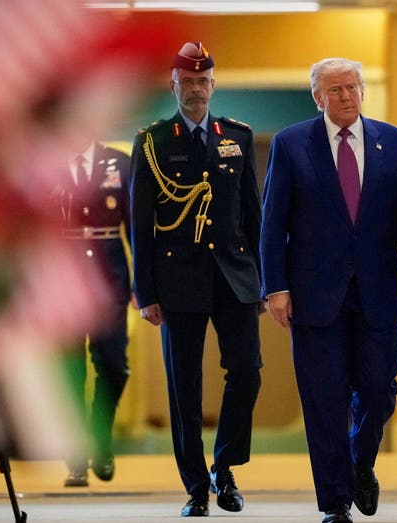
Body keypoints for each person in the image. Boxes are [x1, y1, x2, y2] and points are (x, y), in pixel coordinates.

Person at [260, 57, 397, 523]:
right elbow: (273, 222)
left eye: (353, 87)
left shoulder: (394, 142)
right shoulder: (291, 144)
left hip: (378, 290)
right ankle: (335, 502)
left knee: (378, 387)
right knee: (324, 399)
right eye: (335, 90)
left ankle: (360, 460)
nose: (347, 96)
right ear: (318, 97)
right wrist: (275, 287)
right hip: (314, 295)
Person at [130, 42, 263, 517]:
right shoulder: (153, 142)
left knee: (246, 371)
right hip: (178, 279)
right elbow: (139, 223)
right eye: (187, 82)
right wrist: (145, 292)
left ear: (213, 84)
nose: (196, 90)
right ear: (174, 85)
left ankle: (224, 467)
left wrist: (263, 281)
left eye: (203, 81)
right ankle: (196, 489)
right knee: (183, 388)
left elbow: (253, 214)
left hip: (234, 277)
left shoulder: (237, 137)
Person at [57, 141, 132, 488]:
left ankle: (100, 439)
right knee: (71, 369)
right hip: (64, 280)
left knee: (114, 364)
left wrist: (143, 284)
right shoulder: (48, 162)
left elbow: (135, 226)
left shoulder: (119, 163)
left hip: (109, 278)